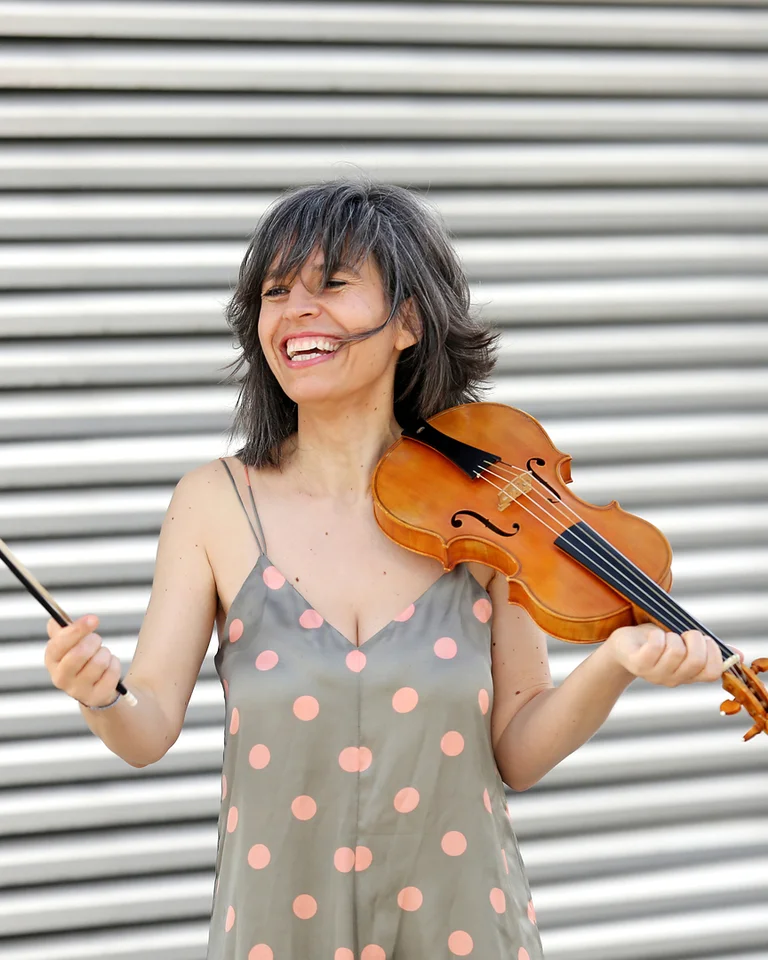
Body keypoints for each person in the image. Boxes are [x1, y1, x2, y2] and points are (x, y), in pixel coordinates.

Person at [44, 178, 732, 960]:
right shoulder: (213, 505)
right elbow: (147, 726)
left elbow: (517, 749)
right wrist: (100, 693)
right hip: (277, 933)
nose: (298, 310)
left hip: (465, 929)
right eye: (276, 292)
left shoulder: (487, 509)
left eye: (331, 285)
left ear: (408, 320)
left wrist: (613, 663)